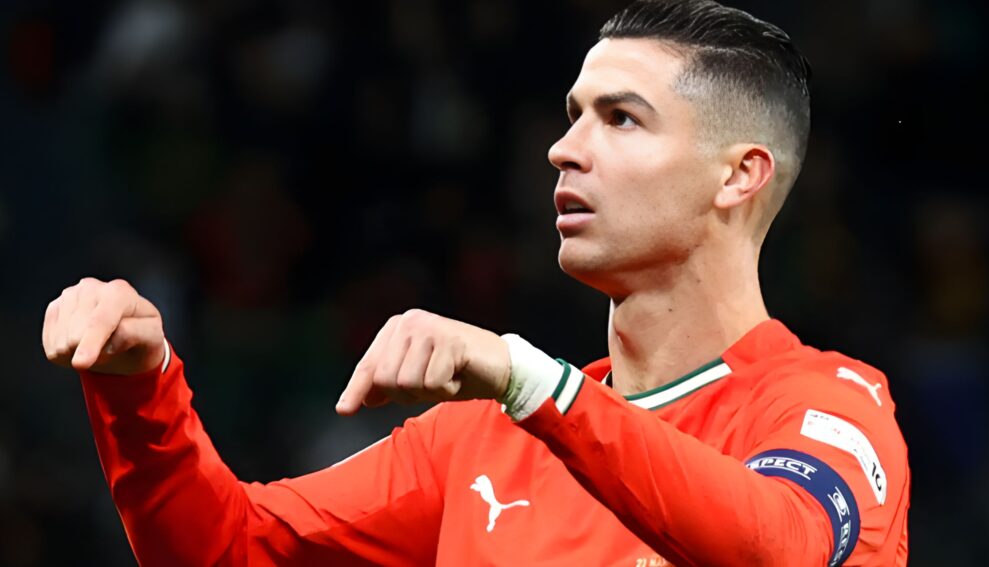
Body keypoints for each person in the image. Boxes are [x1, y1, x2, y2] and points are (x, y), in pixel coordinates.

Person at [41, 0, 909, 565]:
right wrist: (137, 390)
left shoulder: (826, 405)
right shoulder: (479, 441)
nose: (564, 149)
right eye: (572, 116)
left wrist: (531, 382)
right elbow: (229, 548)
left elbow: (783, 547)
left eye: (620, 119)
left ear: (738, 175)